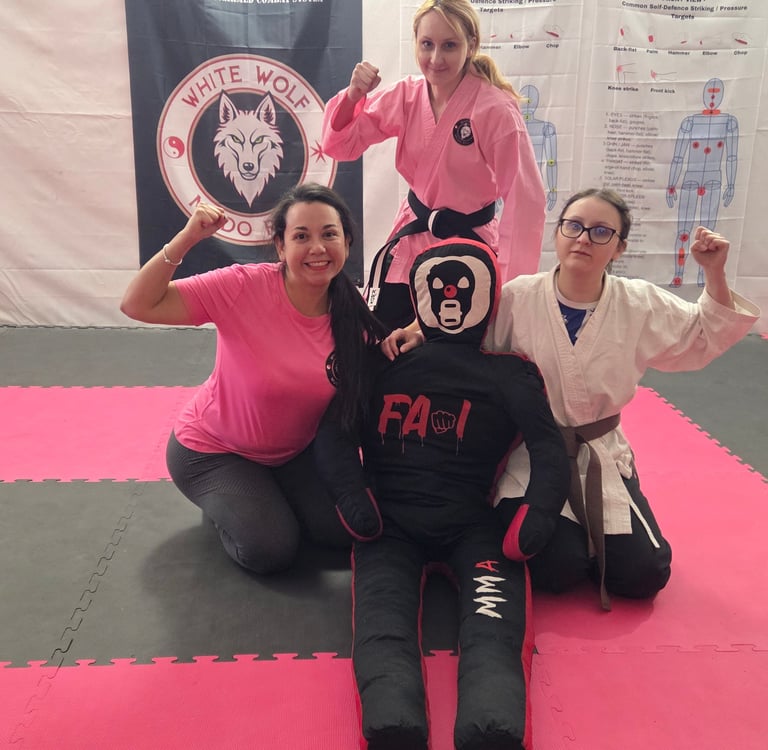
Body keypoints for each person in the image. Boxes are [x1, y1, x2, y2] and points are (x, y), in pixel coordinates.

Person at [384, 188, 760, 610]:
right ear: (558, 234)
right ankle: (571, 538)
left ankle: (611, 517)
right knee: (556, 570)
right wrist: (416, 330)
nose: (583, 239)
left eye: (601, 231)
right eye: (574, 226)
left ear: (619, 246)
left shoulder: (639, 302)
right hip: (531, 453)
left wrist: (714, 272)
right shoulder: (518, 297)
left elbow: (704, 332)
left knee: (644, 574)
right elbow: (461, 326)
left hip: (598, 451)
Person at [314, 238, 570, 750]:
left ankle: (493, 724)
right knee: (382, 625)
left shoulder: (510, 375)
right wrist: (353, 497)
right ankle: (392, 720)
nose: (451, 297)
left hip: (474, 524)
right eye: (440, 287)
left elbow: (549, 446)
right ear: (421, 294)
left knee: (493, 632)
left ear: (485, 295)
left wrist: (537, 515)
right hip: (388, 523)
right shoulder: (380, 363)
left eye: (462, 287)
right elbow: (333, 434)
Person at [120, 183, 389, 574]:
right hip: (212, 451)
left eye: (329, 234)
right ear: (280, 246)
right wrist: (186, 239)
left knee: (344, 528)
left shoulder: (352, 309)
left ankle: (261, 495)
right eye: (301, 236)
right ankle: (221, 508)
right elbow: (137, 304)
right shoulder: (242, 286)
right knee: (271, 548)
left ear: (347, 242)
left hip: (292, 453)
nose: (317, 248)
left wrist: (412, 334)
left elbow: (385, 352)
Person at [321, 0, 545, 330]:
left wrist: (510, 286)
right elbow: (341, 145)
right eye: (427, 44)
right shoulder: (406, 96)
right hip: (412, 239)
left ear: (471, 45)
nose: (436, 59)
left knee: (454, 355)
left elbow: (526, 200)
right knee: (384, 337)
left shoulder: (495, 110)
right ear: (415, 42)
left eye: (449, 46)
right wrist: (354, 95)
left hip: (470, 246)